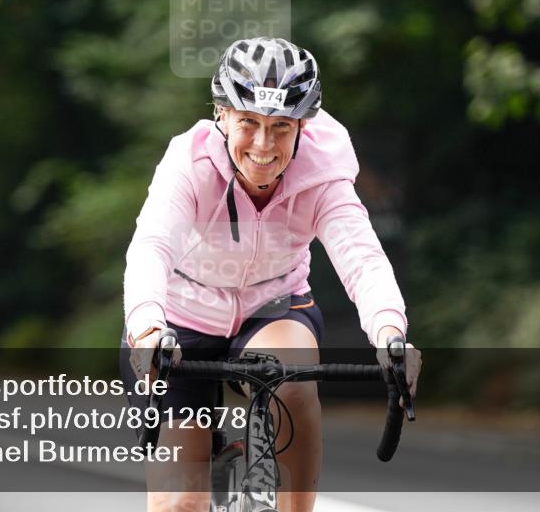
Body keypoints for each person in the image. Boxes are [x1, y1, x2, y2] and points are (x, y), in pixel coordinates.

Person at [120, 37, 422, 512]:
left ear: (303, 125)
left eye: (281, 127)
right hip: (179, 319)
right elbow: (151, 248)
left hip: (272, 309)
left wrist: (390, 334)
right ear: (221, 115)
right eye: (249, 124)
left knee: (292, 374)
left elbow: (361, 258)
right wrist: (147, 329)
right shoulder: (190, 162)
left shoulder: (322, 170)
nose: (264, 145)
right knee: (180, 504)